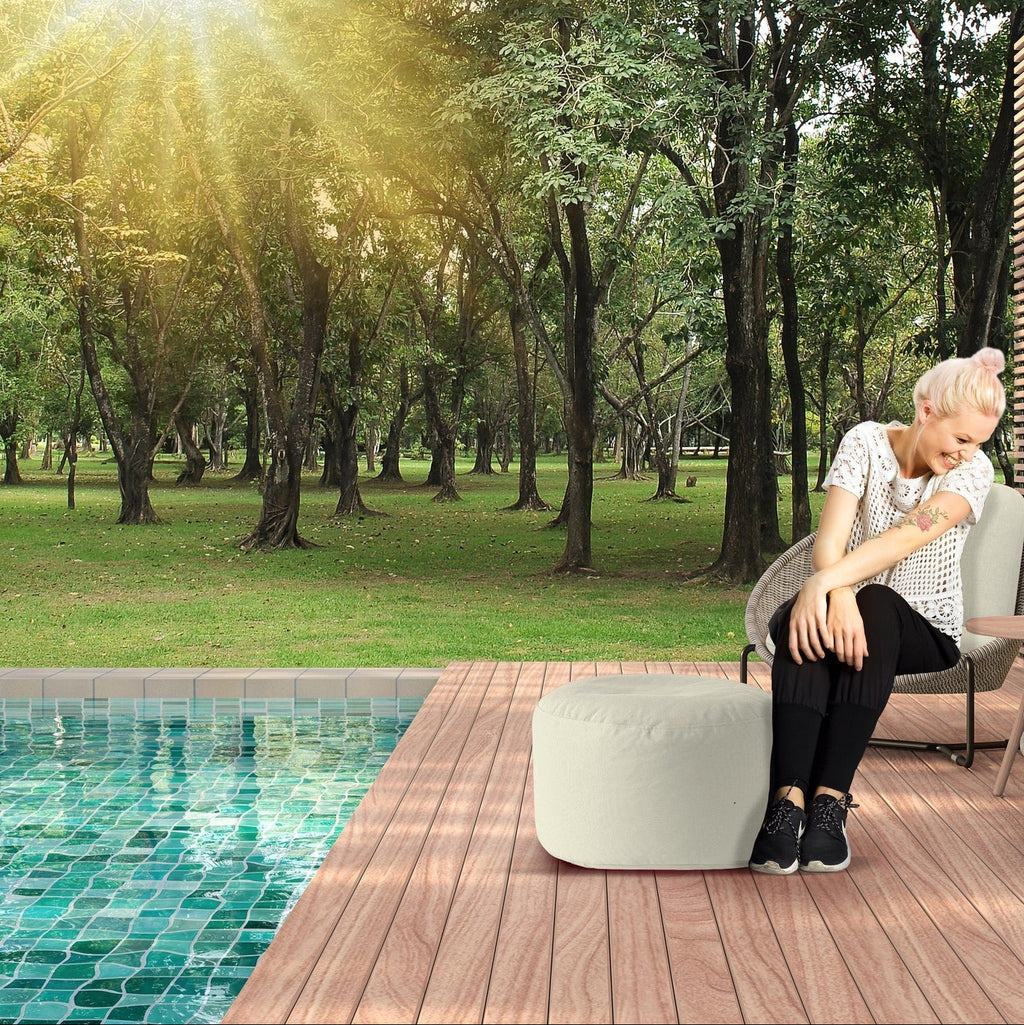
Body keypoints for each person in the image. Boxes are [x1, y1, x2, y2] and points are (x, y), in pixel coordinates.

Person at [749, 347, 1006, 875]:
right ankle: (788, 805)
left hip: (922, 627)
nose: (967, 453)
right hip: (843, 605)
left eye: (977, 444)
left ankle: (829, 803)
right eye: (961, 438)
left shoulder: (973, 474)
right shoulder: (864, 442)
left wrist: (829, 585)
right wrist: (834, 591)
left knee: (877, 602)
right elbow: (831, 540)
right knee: (822, 620)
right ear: (926, 410)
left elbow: (903, 540)